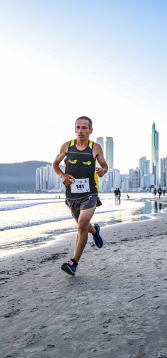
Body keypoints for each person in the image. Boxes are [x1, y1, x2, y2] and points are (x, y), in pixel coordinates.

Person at [52, 116, 108, 276]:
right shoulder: (67, 147)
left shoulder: (95, 148)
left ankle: (73, 263)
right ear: (75, 129)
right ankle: (95, 231)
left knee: (82, 224)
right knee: (82, 226)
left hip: (90, 193)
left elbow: (104, 165)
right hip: (72, 196)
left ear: (90, 131)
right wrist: (62, 175)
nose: (80, 131)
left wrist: (102, 171)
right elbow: (54, 165)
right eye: (78, 127)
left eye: (84, 128)